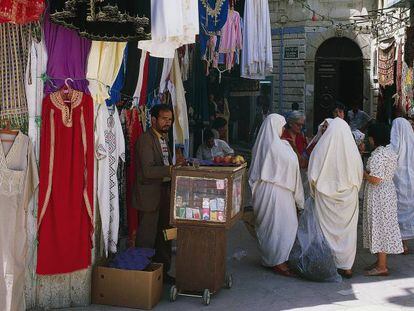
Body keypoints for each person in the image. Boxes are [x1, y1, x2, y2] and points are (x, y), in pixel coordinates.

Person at [133, 104, 184, 283]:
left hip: (164, 193)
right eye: (163, 119)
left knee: (165, 235)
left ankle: (163, 272)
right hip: (150, 196)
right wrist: (171, 169)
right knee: (147, 236)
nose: (167, 123)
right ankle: (142, 275)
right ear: (153, 119)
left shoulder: (163, 139)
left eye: (170, 120)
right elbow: (148, 171)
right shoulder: (145, 140)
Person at [249, 114, 304, 277]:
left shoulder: (261, 145)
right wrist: (300, 201)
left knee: (270, 227)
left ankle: (271, 258)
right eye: (282, 126)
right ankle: (278, 261)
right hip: (279, 193)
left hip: (263, 193)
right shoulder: (281, 148)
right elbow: (294, 171)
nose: (283, 130)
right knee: (283, 226)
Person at [308, 118, 363, 278]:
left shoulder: (320, 149)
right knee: (347, 233)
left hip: (325, 199)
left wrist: (315, 193)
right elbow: (359, 175)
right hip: (349, 199)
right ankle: (346, 266)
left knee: (326, 232)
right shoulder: (352, 152)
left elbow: (312, 175)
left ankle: (329, 263)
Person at [363, 123, 403, 276]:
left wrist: (363, 174)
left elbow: (375, 179)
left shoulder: (379, 155)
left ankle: (382, 266)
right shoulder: (389, 151)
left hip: (379, 194)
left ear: (374, 138)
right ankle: (380, 261)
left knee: (379, 226)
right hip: (387, 192)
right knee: (383, 225)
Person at [390, 118, 414, 254]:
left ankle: (402, 243)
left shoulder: (395, 143)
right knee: (409, 209)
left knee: (399, 209)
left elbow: (392, 153)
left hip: (399, 180)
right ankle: (403, 242)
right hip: (411, 181)